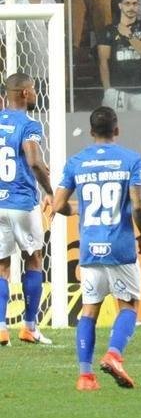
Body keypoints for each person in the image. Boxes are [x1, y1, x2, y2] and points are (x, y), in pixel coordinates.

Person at [51, 105, 141, 390]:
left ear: (91, 132)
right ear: (116, 130)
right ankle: (114, 355)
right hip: (120, 246)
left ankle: (85, 376)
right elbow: (139, 205)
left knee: (89, 310)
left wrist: (81, 210)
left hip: (90, 247)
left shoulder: (76, 162)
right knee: (128, 306)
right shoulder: (131, 160)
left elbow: (57, 206)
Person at [0, 72, 53, 347]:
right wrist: (51, 191)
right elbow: (33, 160)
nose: (34, 94)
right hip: (22, 202)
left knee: (1, 266)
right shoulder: (29, 124)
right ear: (24, 93)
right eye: (33, 89)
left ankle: (0, 328)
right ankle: (29, 327)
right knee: (34, 258)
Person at [97, 0, 141, 111]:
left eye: (135, 4)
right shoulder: (109, 30)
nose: (132, 7)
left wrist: (129, 35)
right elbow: (103, 63)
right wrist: (108, 90)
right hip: (117, 89)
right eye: (127, 3)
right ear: (120, 5)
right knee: (117, 126)